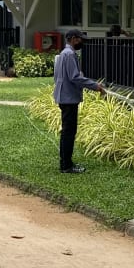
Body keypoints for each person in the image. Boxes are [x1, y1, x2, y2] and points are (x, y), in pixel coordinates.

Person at [52, 29, 106, 174]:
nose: (82, 42)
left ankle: (65, 163)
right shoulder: (69, 54)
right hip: (68, 98)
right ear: (73, 39)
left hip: (64, 96)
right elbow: (75, 77)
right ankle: (66, 166)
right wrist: (96, 86)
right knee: (69, 132)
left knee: (67, 131)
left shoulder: (63, 53)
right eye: (80, 39)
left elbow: (57, 76)